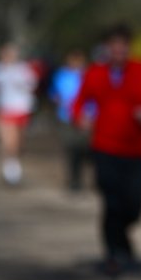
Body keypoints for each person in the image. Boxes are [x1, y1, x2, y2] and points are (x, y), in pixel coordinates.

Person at [71, 23, 141, 276]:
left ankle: (122, 242)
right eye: (113, 45)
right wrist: (80, 118)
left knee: (134, 208)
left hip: (137, 151)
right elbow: (77, 103)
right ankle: (113, 255)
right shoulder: (94, 73)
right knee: (112, 203)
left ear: (128, 47)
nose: (118, 50)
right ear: (106, 48)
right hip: (104, 148)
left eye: (123, 45)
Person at [0, 42, 38, 185]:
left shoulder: (24, 69)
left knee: (19, 142)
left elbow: (33, 86)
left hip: (23, 109)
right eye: (5, 54)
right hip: (5, 109)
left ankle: (15, 161)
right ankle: (10, 169)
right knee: (8, 141)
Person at [48, 49, 90, 190]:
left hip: (86, 117)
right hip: (66, 117)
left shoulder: (88, 75)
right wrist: (58, 100)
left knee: (85, 149)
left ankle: (84, 177)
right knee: (71, 148)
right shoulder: (61, 75)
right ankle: (74, 180)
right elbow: (53, 93)